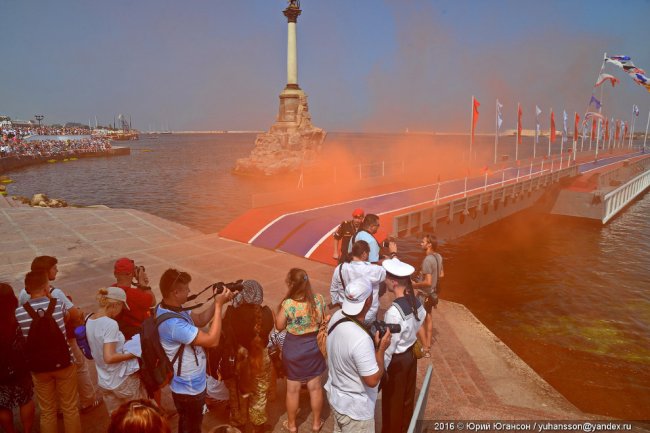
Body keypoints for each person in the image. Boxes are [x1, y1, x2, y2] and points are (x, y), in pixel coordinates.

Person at [18, 255, 100, 413]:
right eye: (54, 268)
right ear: (46, 273)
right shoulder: (56, 293)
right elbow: (73, 314)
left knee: (47, 377)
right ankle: (87, 400)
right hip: (62, 341)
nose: (57, 270)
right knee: (80, 367)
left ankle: (58, 409)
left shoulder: (23, 293)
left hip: (37, 345)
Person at [157, 268, 233, 433]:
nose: (190, 291)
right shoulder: (173, 325)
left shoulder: (171, 308)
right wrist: (219, 307)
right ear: (175, 292)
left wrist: (216, 301)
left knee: (188, 422)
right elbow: (212, 341)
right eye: (186, 289)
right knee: (192, 426)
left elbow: (199, 319)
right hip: (189, 388)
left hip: (187, 383)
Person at [15, 271, 82, 433]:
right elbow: (66, 319)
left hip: (39, 368)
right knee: (70, 408)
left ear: (27, 289)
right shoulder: (58, 304)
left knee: (47, 411)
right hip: (64, 362)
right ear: (46, 287)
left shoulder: (20, 312)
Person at [324, 278, 392, 433]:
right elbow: (373, 380)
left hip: (336, 398)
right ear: (368, 301)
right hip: (355, 411)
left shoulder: (337, 316)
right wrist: (381, 349)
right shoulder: (361, 339)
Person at [275, 268, 326, 433]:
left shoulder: (288, 304)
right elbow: (324, 318)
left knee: (292, 390)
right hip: (313, 348)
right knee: (315, 387)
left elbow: (279, 326)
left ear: (291, 284)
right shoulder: (318, 300)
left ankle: (291, 425)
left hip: (294, 349)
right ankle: (316, 424)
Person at [380, 258, 426, 433]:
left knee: (392, 403)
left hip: (397, 361)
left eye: (386, 277)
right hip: (410, 357)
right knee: (406, 399)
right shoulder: (415, 302)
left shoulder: (393, 312)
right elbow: (421, 319)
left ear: (393, 282)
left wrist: (381, 369)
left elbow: (389, 347)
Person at [222, 280, 274, 433]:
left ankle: (239, 424)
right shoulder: (266, 313)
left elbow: (223, 333)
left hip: (238, 359)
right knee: (259, 392)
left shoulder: (231, 312)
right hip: (260, 359)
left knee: (238, 392)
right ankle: (258, 425)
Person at [86, 287, 147, 414]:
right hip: (121, 379)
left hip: (104, 381)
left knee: (117, 419)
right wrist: (132, 354)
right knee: (138, 417)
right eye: (121, 307)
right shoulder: (110, 324)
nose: (120, 311)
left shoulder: (89, 319)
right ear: (115, 305)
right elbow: (109, 357)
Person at [0, 283, 35, 433]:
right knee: (25, 399)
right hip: (20, 366)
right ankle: (27, 431)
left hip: (0, 370)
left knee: (2, 405)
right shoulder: (18, 316)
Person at [330, 240, 386, 324]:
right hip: (368, 315)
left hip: (346, 311)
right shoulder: (375, 270)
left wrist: (339, 305)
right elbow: (390, 271)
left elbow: (333, 290)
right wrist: (392, 255)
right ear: (364, 254)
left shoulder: (340, 268)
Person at [411, 234, 444, 357]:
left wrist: (415, 285)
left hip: (424, 295)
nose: (421, 243)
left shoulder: (427, 260)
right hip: (432, 295)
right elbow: (441, 275)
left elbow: (428, 282)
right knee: (428, 318)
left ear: (429, 244)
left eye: (423, 241)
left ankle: (425, 349)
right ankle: (428, 344)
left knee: (417, 320)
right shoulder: (439, 257)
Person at [112, 257, 156, 340]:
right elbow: (153, 301)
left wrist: (141, 286)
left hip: (122, 333)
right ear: (130, 274)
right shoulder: (134, 295)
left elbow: (136, 297)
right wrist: (143, 283)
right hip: (138, 336)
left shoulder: (112, 289)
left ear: (115, 274)